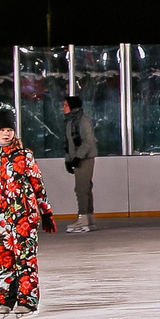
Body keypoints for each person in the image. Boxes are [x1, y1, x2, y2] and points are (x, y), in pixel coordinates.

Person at [0, 110, 57, 317]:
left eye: (9, 130)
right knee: (4, 258)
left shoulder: (25, 155)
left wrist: (46, 212)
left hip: (25, 216)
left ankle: (28, 300)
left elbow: (38, 185)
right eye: (1, 130)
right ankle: (6, 298)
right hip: (1, 218)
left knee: (25, 258)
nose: (6, 134)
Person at [61, 94, 98, 234]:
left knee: (81, 189)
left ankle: (83, 218)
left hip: (85, 158)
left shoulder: (83, 121)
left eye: (65, 105)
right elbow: (69, 144)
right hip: (78, 157)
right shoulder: (70, 122)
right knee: (84, 188)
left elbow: (88, 141)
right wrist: (68, 159)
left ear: (72, 106)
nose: (63, 108)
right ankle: (88, 218)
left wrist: (77, 157)